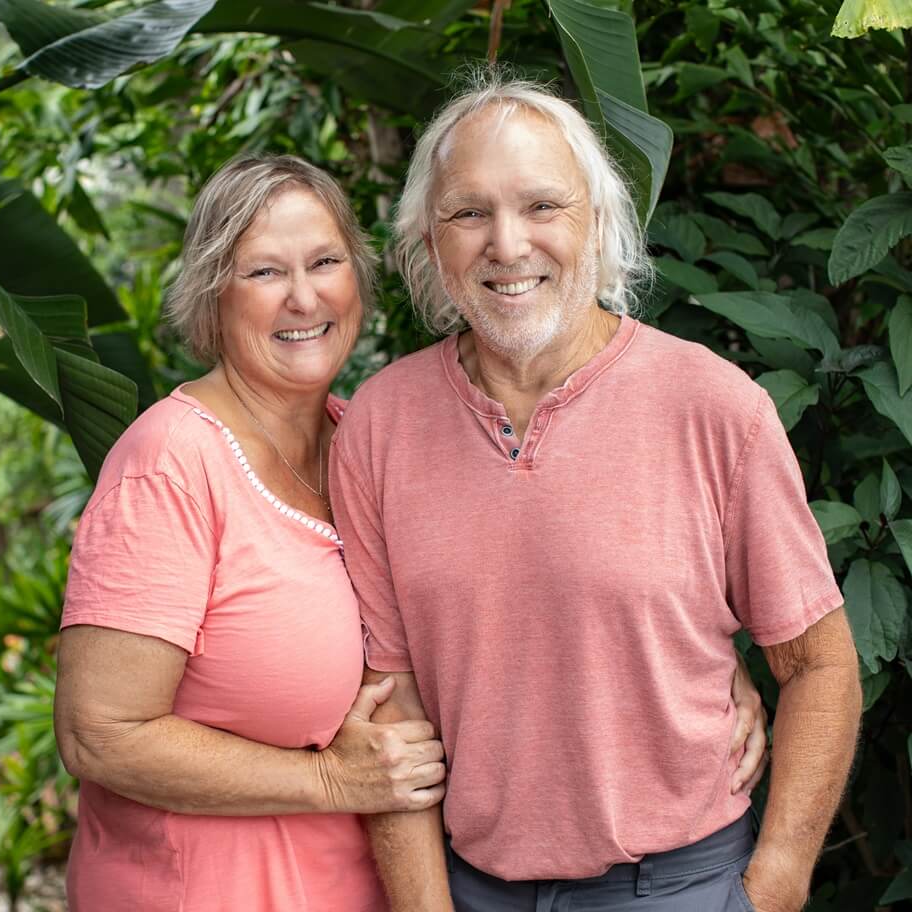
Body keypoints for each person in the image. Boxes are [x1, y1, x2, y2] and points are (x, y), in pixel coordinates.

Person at [54, 155, 769, 912]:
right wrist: (329, 780)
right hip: (203, 888)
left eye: (325, 262)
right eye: (264, 272)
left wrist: (696, 662)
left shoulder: (370, 438)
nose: (304, 297)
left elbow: (508, 591)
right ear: (211, 296)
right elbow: (101, 733)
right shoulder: (170, 466)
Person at [328, 74, 863, 912]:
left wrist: (779, 881)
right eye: (469, 213)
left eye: (543, 206)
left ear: (600, 222)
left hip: (678, 884)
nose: (507, 245)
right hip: (472, 888)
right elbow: (391, 706)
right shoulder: (379, 425)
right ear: (429, 243)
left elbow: (822, 662)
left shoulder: (715, 407)